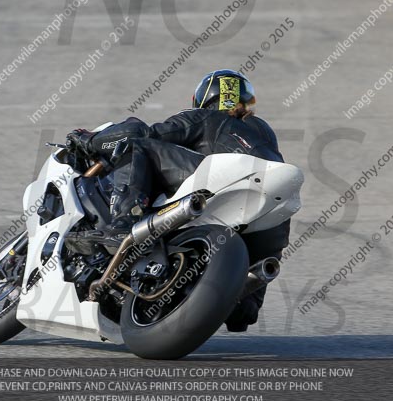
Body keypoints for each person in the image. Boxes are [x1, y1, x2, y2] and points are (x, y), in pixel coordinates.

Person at [66, 69, 291, 331]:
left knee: (137, 146)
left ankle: (123, 223)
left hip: (221, 181)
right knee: (248, 299)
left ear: (203, 99)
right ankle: (245, 300)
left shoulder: (208, 117)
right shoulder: (263, 134)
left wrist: (88, 140)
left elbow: (148, 135)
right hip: (270, 209)